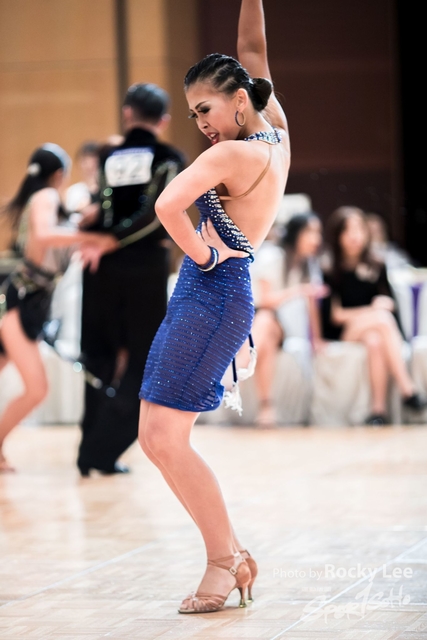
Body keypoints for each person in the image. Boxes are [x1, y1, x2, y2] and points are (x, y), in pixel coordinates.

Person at [138, 0, 290, 614]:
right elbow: (252, 51)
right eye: (193, 112)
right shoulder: (274, 128)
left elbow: (166, 205)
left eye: (205, 109)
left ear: (238, 102)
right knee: (157, 437)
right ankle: (233, 555)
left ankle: (223, 561)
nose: (200, 122)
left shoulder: (230, 156)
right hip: (219, 293)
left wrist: (201, 255)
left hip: (212, 291)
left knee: (162, 436)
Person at [76, 83, 185, 477]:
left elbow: (105, 205)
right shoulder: (169, 158)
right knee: (145, 359)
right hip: (144, 269)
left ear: (127, 114)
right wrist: (116, 238)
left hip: (100, 267)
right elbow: (156, 214)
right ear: (164, 120)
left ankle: (89, 449)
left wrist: (104, 236)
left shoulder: (109, 156)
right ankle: (102, 450)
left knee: (97, 357)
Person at [0, 144, 115, 472]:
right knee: (37, 388)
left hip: (28, 300)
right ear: (59, 174)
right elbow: (45, 234)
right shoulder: (47, 196)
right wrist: (95, 239)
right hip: (22, 300)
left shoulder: (40, 199)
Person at [324, 206, 426, 426]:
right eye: (348, 230)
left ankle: (378, 411)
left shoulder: (377, 265)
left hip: (373, 330)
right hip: (346, 332)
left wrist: (381, 307)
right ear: (338, 235)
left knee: (375, 341)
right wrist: (372, 310)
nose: (354, 236)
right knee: (381, 318)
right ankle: (408, 389)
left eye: (359, 229)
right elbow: (336, 315)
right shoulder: (330, 269)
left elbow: (389, 303)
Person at [250, 212, 328, 426]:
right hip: (256, 318)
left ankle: (237, 369)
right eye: (310, 232)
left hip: (277, 325)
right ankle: (266, 407)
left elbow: (312, 307)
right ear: (295, 233)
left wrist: (317, 340)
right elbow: (265, 300)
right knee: (266, 332)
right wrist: (299, 290)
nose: (316, 238)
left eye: (318, 233)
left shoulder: (309, 264)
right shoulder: (272, 256)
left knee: (266, 323)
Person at [65, 141, 100, 227]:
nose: (89, 166)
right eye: (85, 162)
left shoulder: (106, 190)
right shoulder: (73, 191)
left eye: (94, 163)